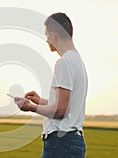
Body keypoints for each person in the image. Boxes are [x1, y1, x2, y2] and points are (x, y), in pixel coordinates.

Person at [14, 13, 88, 158]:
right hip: (73, 141)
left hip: (60, 143)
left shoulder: (64, 63)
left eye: (47, 34)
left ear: (54, 35)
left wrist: (30, 107)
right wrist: (41, 101)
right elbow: (67, 106)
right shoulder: (77, 61)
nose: (46, 39)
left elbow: (61, 111)